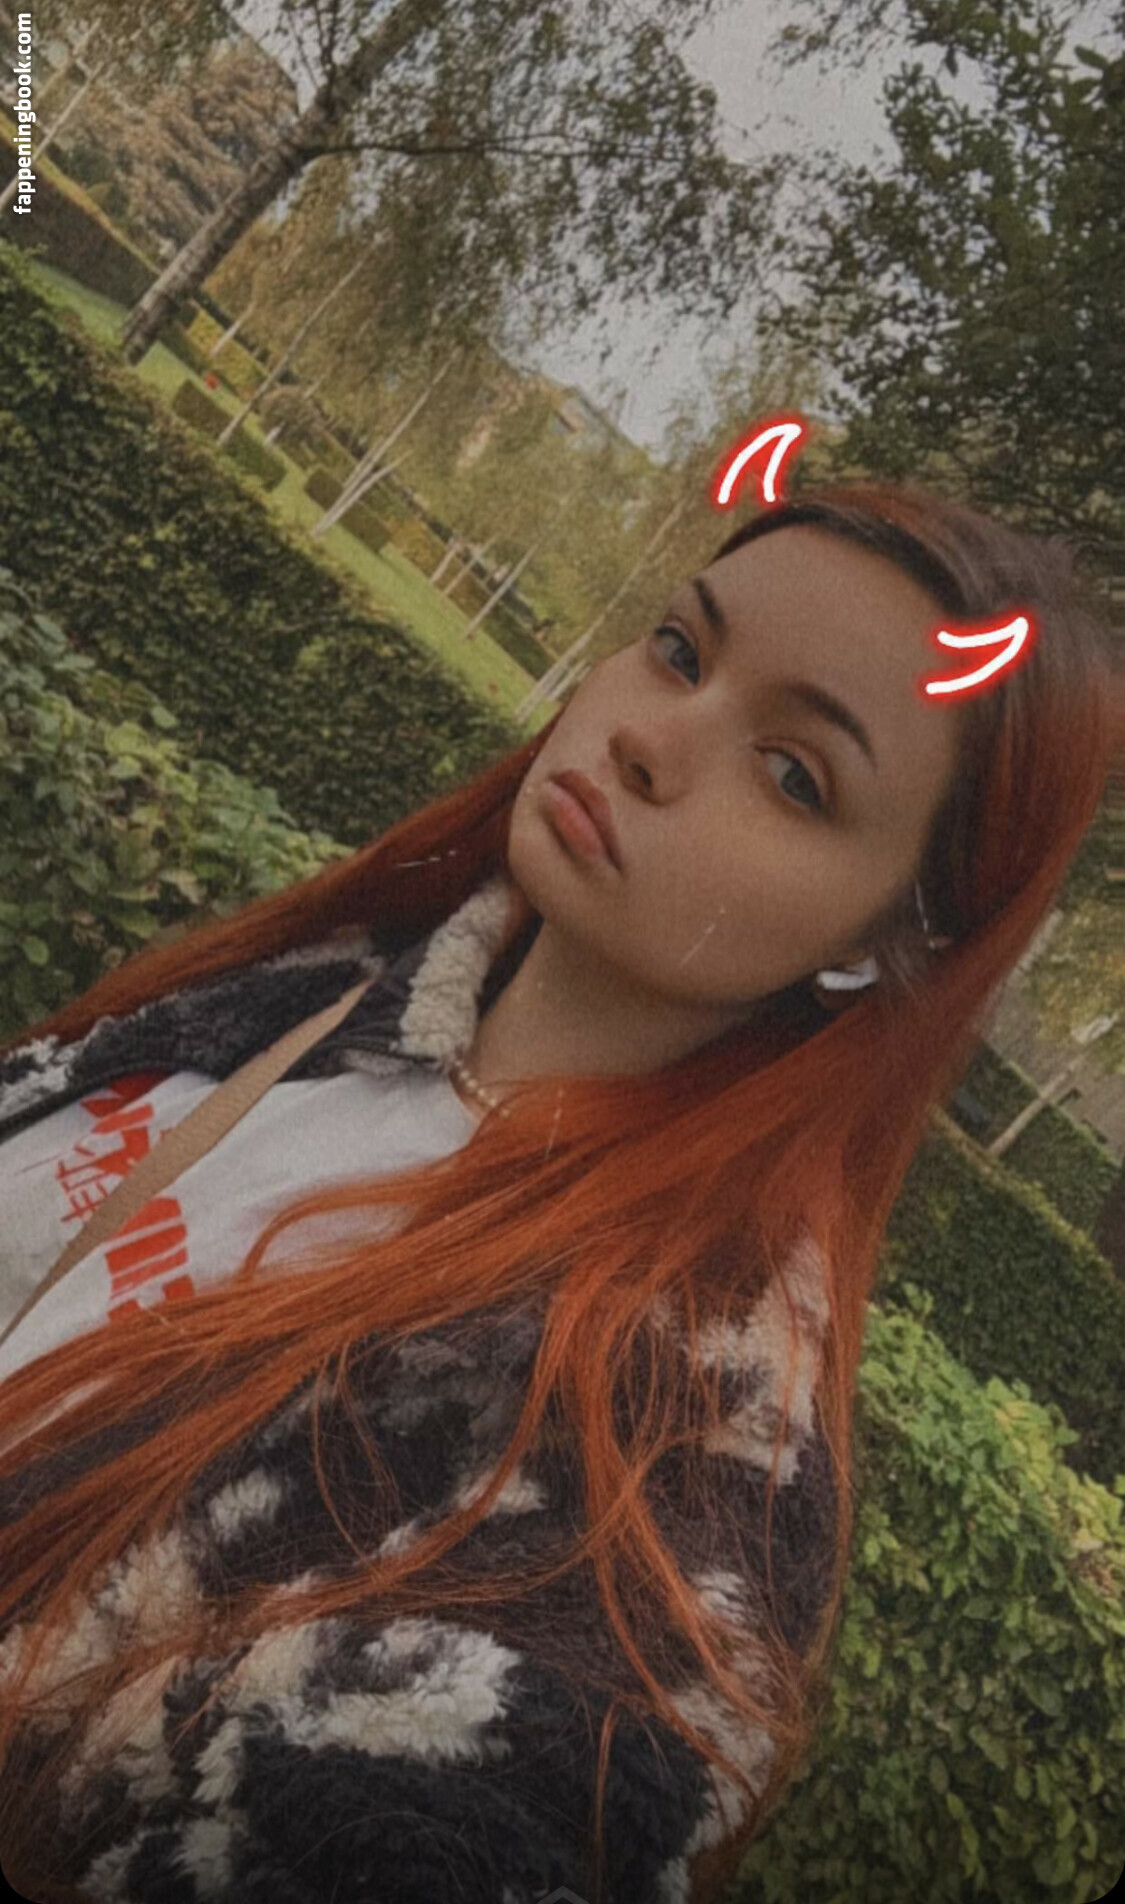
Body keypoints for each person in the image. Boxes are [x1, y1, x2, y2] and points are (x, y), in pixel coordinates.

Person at [0, 481, 1118, 1904]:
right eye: (679, 650)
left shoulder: (669, 1446)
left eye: (794, 775)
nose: (649, 737)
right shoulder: (335, 981)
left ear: (886, 945)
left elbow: (490, 1782)